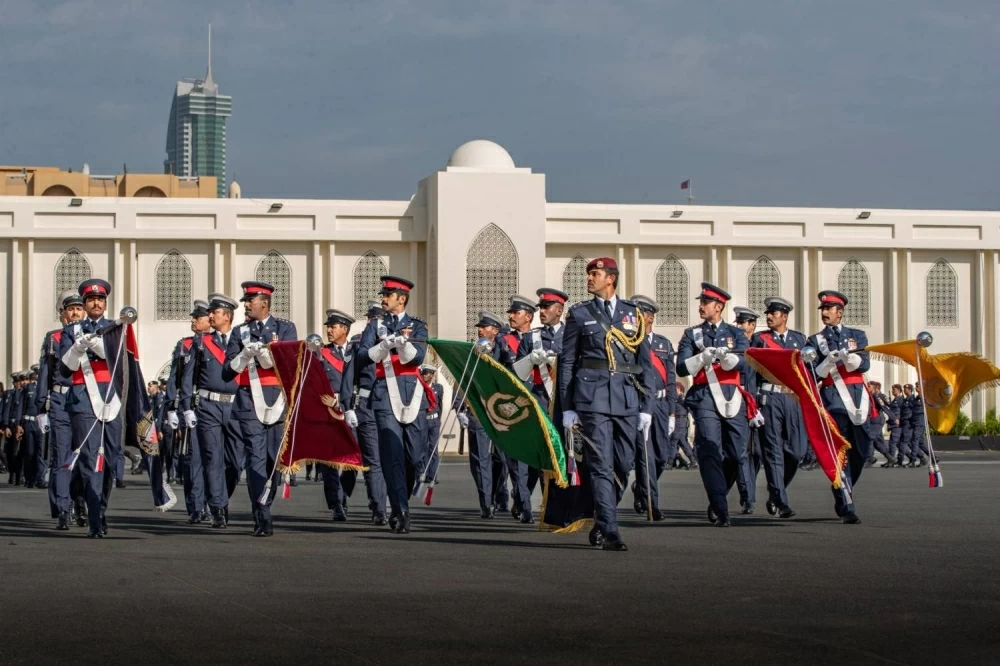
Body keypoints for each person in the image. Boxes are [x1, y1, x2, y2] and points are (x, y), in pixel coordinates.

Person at [557, 257, 654, 551]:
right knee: (601, 464)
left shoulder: (633, 314)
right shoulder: (579, 314)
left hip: (626, 397)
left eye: (595, 274)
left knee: (623, 464)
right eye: (589, 274)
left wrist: (647, 407)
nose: (589, 278)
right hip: (592, 398)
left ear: (610, 278)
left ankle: (600, 519)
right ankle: (611, 531)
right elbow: (567, 362)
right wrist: (567, 406)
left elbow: (645, 363)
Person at [223, 282, 298, 537]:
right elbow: (227, 372)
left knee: (271, 461)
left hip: (277, 401)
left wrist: (265, 353)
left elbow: (289, 363)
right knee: (255, 458)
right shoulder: (239, 332)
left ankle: (265, 501)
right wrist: (244, 355)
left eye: (250, 301)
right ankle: (262, 515)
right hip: (249, 402)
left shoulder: (285, 329)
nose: (245, 305)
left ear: (264, 303)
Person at [357, 275, 428, 534]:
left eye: (388, 295)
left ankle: (401, 500)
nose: (383, 299)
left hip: (412, 395)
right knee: (392, 455)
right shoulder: (375, 326)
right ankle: (401, 510)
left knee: (414, 456)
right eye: (383, 295)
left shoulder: (417, 325)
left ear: (402, 299)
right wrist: (383, 347)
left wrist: (403, 346)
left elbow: (418, 358)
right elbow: (362, 356)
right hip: (384, 394)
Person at [676, 283, 751, 527]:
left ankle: (718, 494)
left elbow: (746, 361)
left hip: (732, 397)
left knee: (737, 454)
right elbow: (681, 367)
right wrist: (701, 357)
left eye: (706, 302)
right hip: (705, 396)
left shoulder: (735, 333)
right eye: (701, 302)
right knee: (709, 450)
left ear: (719, 307)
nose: (701, 306)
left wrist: (728, 358)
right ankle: (720, 505)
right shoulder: (692, 334)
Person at [56, 278, 122, 538]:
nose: (96, 303)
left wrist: (97, 345)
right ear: (84, 304)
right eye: (91, 299)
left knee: (110, 460)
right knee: (90, 459)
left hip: (111, 398)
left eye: (100, 299)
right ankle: (94, 518)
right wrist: (76, 348)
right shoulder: (71, 331)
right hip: (83, 398)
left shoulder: (116, 328)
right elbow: (64, 369)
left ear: (105, 303)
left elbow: (119, 358)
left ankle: (100, 509)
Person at [807, 290, 870, 524]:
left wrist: (849, 358)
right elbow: (812, 373)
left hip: (858, 400)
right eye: (823, 309)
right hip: (833, 399)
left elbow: (864, 364)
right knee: (840, 452)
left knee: (862, 451)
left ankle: (842, 487)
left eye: (828, 309)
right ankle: (847, 504)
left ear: (840, 312)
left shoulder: (857, 335)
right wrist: (829, 361)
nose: (824, 312)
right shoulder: (815, 341)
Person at [179, 295, 242, 527]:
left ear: (227, 316)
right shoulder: (202, 342)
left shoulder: (242, 340)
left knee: (235, 462)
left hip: (236, 406)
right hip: (208, 407)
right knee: (212, 459)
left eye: (215, 312)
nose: (210, 315)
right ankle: (218, 508)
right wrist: (186, 408)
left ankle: (219, 495)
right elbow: (188, 378)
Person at [750, 297, 809, 519]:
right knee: (772, 451)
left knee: (796, 451)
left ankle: (776, 490)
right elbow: (751, 373)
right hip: (769, 397)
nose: (768, 317)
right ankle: (781, 501)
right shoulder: (760, 339)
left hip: (793, 398)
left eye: (773, 313)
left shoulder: (799, 339)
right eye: (768, 313)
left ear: (784, 316)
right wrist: (752, 404)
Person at [457, 312, 509, 518]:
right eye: (479, 327)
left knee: (502, 459)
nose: (479, 330)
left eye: (484, 327)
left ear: (495, 331)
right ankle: (485, 501)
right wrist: (460, 408)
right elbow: (462, 380)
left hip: (500, 413)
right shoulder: (472, 352)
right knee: (480, 459)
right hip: (477, 410)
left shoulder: (504, 351)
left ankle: (496, 493)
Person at [629, 294, 676, 522]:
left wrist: (672, 411)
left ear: (649, 318)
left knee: (662, 456)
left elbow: (671, 379)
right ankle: (652, 504)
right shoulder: (628, 342)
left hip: (661, 404)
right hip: (639, 403)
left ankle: (641, 486)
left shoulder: (663, 344)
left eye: (639, 315)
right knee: (645, 456)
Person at [346, 300, 389, 525]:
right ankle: (379, 506)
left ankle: (389, 501)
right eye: (374, 319)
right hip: (367, 404)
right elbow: (349, 376)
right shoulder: (358, 343)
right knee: (374, 459)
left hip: (393, 405)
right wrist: (347, 406)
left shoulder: (396, 341)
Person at [316, 309, 357, 521]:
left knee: (352, 456)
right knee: (330, 460)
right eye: (329, 327)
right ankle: (336, 502)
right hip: (329, 408)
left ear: (345, 329)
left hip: (352, 407)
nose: (329, 331)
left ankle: (344, 493)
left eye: (333, 327)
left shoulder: (356, 351)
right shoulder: (321, 353)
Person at [730, 306, 761, 513]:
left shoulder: (760, 346)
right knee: (741, 453)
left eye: (743, 323)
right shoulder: (734, 345)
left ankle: (750, 490)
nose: (740, 326)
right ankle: (747, 497)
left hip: (759, 406)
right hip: (738, 404)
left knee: (757, 453)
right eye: (738, 322)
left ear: (752, 325)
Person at [417, 365, 445, 489]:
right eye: (423, 373)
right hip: (423, 420)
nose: (425, 375)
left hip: (434, 421)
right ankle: (422, 473)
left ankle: (433, 475)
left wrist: (438, 419)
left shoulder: (438, 388)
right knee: (422, 447)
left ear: (433, 375)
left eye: (428, 373)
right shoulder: (419, 387)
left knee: (433, 448)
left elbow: (440, 404)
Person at [670, 382, 696, 469]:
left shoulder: (682, 398)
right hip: (678, 420)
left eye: (676, 389)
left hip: (680, 420)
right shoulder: (676, 398)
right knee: (682, 441)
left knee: (674, 440)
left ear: (680, 389)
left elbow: (690, 408)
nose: (674, 390)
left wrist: (695, 418)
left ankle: (670, 461)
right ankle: (691, 460)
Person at [908, 383, 929, 467]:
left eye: (918, 386)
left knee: (915, 440)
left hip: (920, 422)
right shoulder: (916, 398)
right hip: (914, 422)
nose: (916, 387)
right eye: (916, 386)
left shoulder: (925, 397)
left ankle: (912, 460)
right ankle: (932, 456)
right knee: (919, 442)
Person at [885, 384, 905, 468]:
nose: (893, 391)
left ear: (899, 390)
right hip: (893, 423)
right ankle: (911, 456)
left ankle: (891, 459)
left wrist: (899, 420)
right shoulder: (895, 400)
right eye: (892, 389)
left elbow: (902, 411)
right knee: (898, 443)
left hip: (897, 423)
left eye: (894, 390)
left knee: (893, 442)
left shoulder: (900, 399)